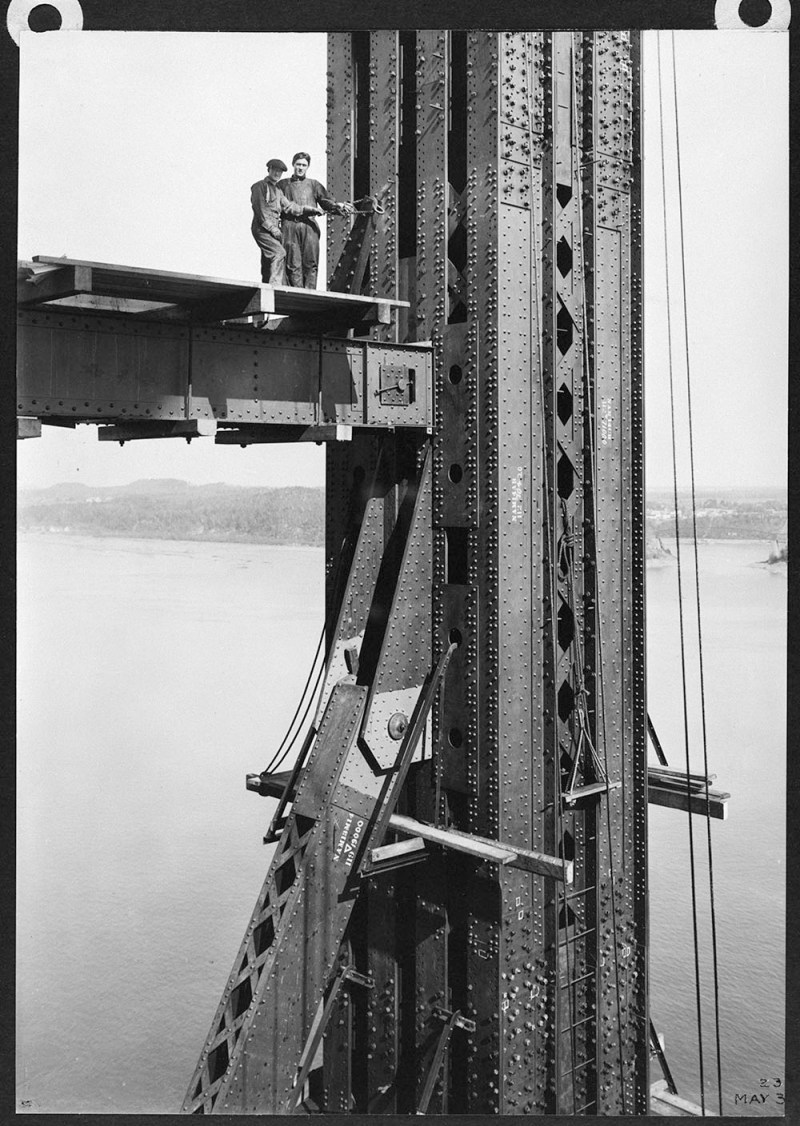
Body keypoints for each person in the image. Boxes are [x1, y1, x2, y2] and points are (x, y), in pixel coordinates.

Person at [278, 152, 354, 289]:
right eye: (298, 164)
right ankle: (296, 295)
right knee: (292, 264)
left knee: (310, 263)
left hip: (309, 227)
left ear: (308, 167)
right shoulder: (282, 184)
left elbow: (326, 202)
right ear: (293, 165)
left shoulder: (314, 185)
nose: (300, 168)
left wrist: (338, 206)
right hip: (289, 227)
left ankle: (309, 294)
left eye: (304, 165)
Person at [250, 159, 319, 285]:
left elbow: (290, 207)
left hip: (272, 229)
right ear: (269, 170)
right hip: (262, 229)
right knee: (279, 253)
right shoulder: (259, 186)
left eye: (280, 172)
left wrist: (310, 210)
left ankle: (269, 284)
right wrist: (272, 229)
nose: (277, 174)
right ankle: (274, 286)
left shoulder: (278, 191)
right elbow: (260, 211)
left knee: (270, 258)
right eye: (274, 170)